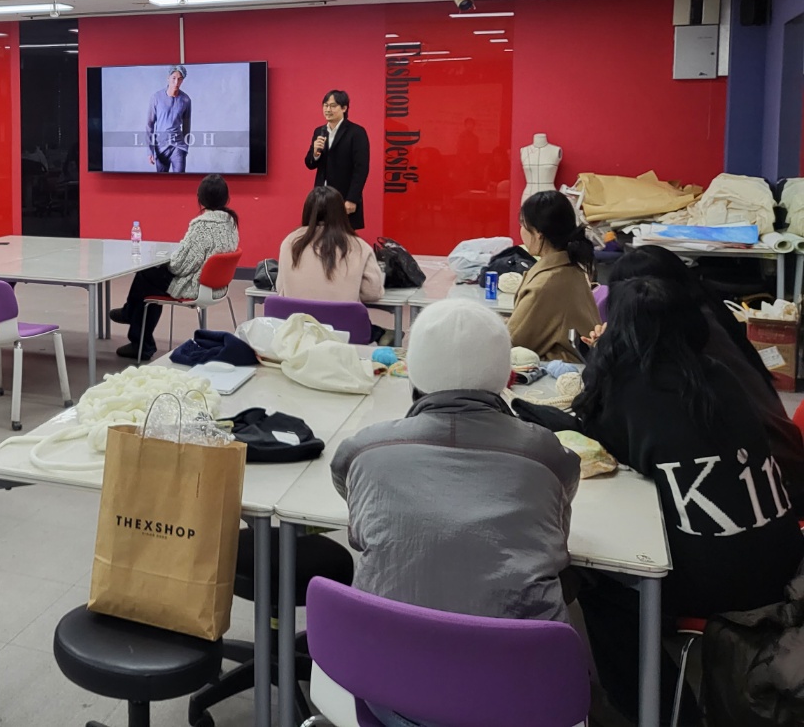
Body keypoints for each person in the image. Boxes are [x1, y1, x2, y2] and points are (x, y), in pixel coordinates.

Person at [331, 297, 580, 727]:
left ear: (412, 370)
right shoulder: (546, 454)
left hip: (388, 691)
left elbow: (351, 501)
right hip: (519, 702)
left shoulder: (365, 450)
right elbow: (558, 520)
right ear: (507, 375)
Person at [568, 277, 804, 724]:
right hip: (784, 558)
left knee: (600, 585)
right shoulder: (717, 374)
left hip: (726, 584)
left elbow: (604, 451)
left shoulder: (629, 389)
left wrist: (598, 363)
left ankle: (654, 709)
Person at [598, 245, 804, 511]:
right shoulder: (704, 316)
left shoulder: (686, 343)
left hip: (773, 477)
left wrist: (605, 353)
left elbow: (635, 420)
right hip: (778, 458)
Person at [108, 174, 240, 361]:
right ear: (227, 198)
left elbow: (180, 266)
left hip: (196, 286)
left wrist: (165, 261)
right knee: (149, 281)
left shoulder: (202, 226)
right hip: (217, 286)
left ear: (200, 198)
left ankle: (137, 333)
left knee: (146, 274)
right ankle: (134, 326)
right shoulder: (231, 223)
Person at [506, 190, 599, 363]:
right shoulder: (570, 268)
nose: (521, 231)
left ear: (538, 234)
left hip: (560, 370)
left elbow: (512, 343)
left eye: (523, 225)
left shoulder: (546, 284)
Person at [276, 186, 382, 304]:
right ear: (342, 213)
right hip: (343, 316)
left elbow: (281, 286)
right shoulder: (359, 246)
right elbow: (372, 292)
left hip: (297, 316)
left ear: (306, 211)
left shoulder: (290, 242)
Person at [304, 90, 370, 230]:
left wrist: (352, 199)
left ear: (344, 108)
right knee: (320, 234)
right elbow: (310, 163)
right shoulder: (319, 131)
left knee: (343, 236)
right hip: (321, 196)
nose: (328, 110)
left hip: (343, 197)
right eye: (325, 105)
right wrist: (315, 153)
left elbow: (361, 169)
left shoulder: (356, 132)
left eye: (333, 106)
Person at [146, 64, 191, 173]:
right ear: (168, 78)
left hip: (178, 147)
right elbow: (149, 125)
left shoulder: (186, 100)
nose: (176, 82)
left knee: (180, 180)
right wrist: (150, 150)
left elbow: (187, 127)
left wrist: (185, 147)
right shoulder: (156, 98)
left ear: (182, 80)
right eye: (173, 78)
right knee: (162, 180)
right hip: (160, 147)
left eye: (180, 79)